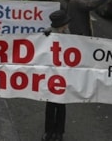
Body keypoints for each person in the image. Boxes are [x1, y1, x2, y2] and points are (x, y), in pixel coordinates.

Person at [42, 10, 70, 141]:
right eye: (65, 24)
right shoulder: (47, 34)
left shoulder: (68, 34)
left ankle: (59, 132)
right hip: (51, 74)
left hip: (63, 74)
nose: (67, 26)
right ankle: (48, 131)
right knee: (50, 105)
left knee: (61, 105)